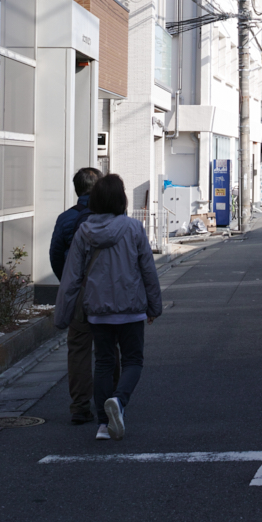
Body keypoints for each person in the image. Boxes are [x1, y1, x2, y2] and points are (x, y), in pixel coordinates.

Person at [54, 174, 162, 441]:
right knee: (133, 361)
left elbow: (71, 277)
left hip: (97, 311)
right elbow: (148, 270)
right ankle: (119, 400)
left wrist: (63, 316)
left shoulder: (84, 231)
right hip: (131, 308)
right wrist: (154, 306)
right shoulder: (134, 228)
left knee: (103, 362)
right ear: (121, 199)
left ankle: (103, 425)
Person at [49, 166, 103, 424]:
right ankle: (112, 401)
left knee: (79, 349)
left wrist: (69, 283)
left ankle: (80, 406)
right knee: (108, 346)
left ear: (76, 189)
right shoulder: (111, 218)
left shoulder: (66, 219)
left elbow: (56, 256)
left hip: (79, 291)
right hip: (106, 292)